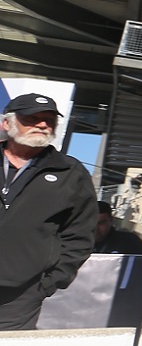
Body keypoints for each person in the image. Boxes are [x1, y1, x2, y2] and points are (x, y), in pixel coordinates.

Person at [0, 93, 98, 330]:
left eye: (49, 120)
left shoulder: (70, 172)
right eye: (32, 118)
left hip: (19, 297)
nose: (42, 125)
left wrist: (48, 284)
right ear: (7, 123)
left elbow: (80, 234)